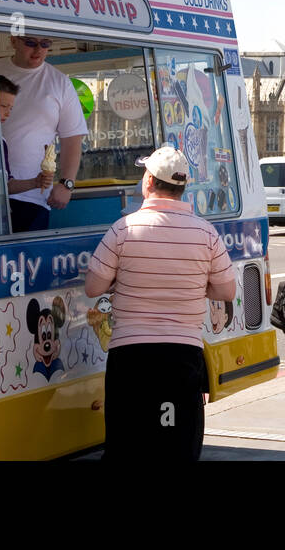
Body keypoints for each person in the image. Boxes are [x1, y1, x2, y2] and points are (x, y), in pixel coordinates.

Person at [84, 146, 235, 461]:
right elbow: (226, 291)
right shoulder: (206, 234)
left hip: (131, 357)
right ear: (182, 187)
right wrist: (193, 283)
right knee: (176, 447)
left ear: (149, 181)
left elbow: (93, 287)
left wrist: (122, 280)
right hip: (182, 355)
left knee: (128, 446)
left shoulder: (123, 230)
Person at [0, 36, 86, 232]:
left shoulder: (60, 82)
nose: (38, 49)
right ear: (13, 41)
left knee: (28, 260)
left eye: (45, 44)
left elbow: (72, 138)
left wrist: (67, 183)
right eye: (30, 43)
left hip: (34, 195)